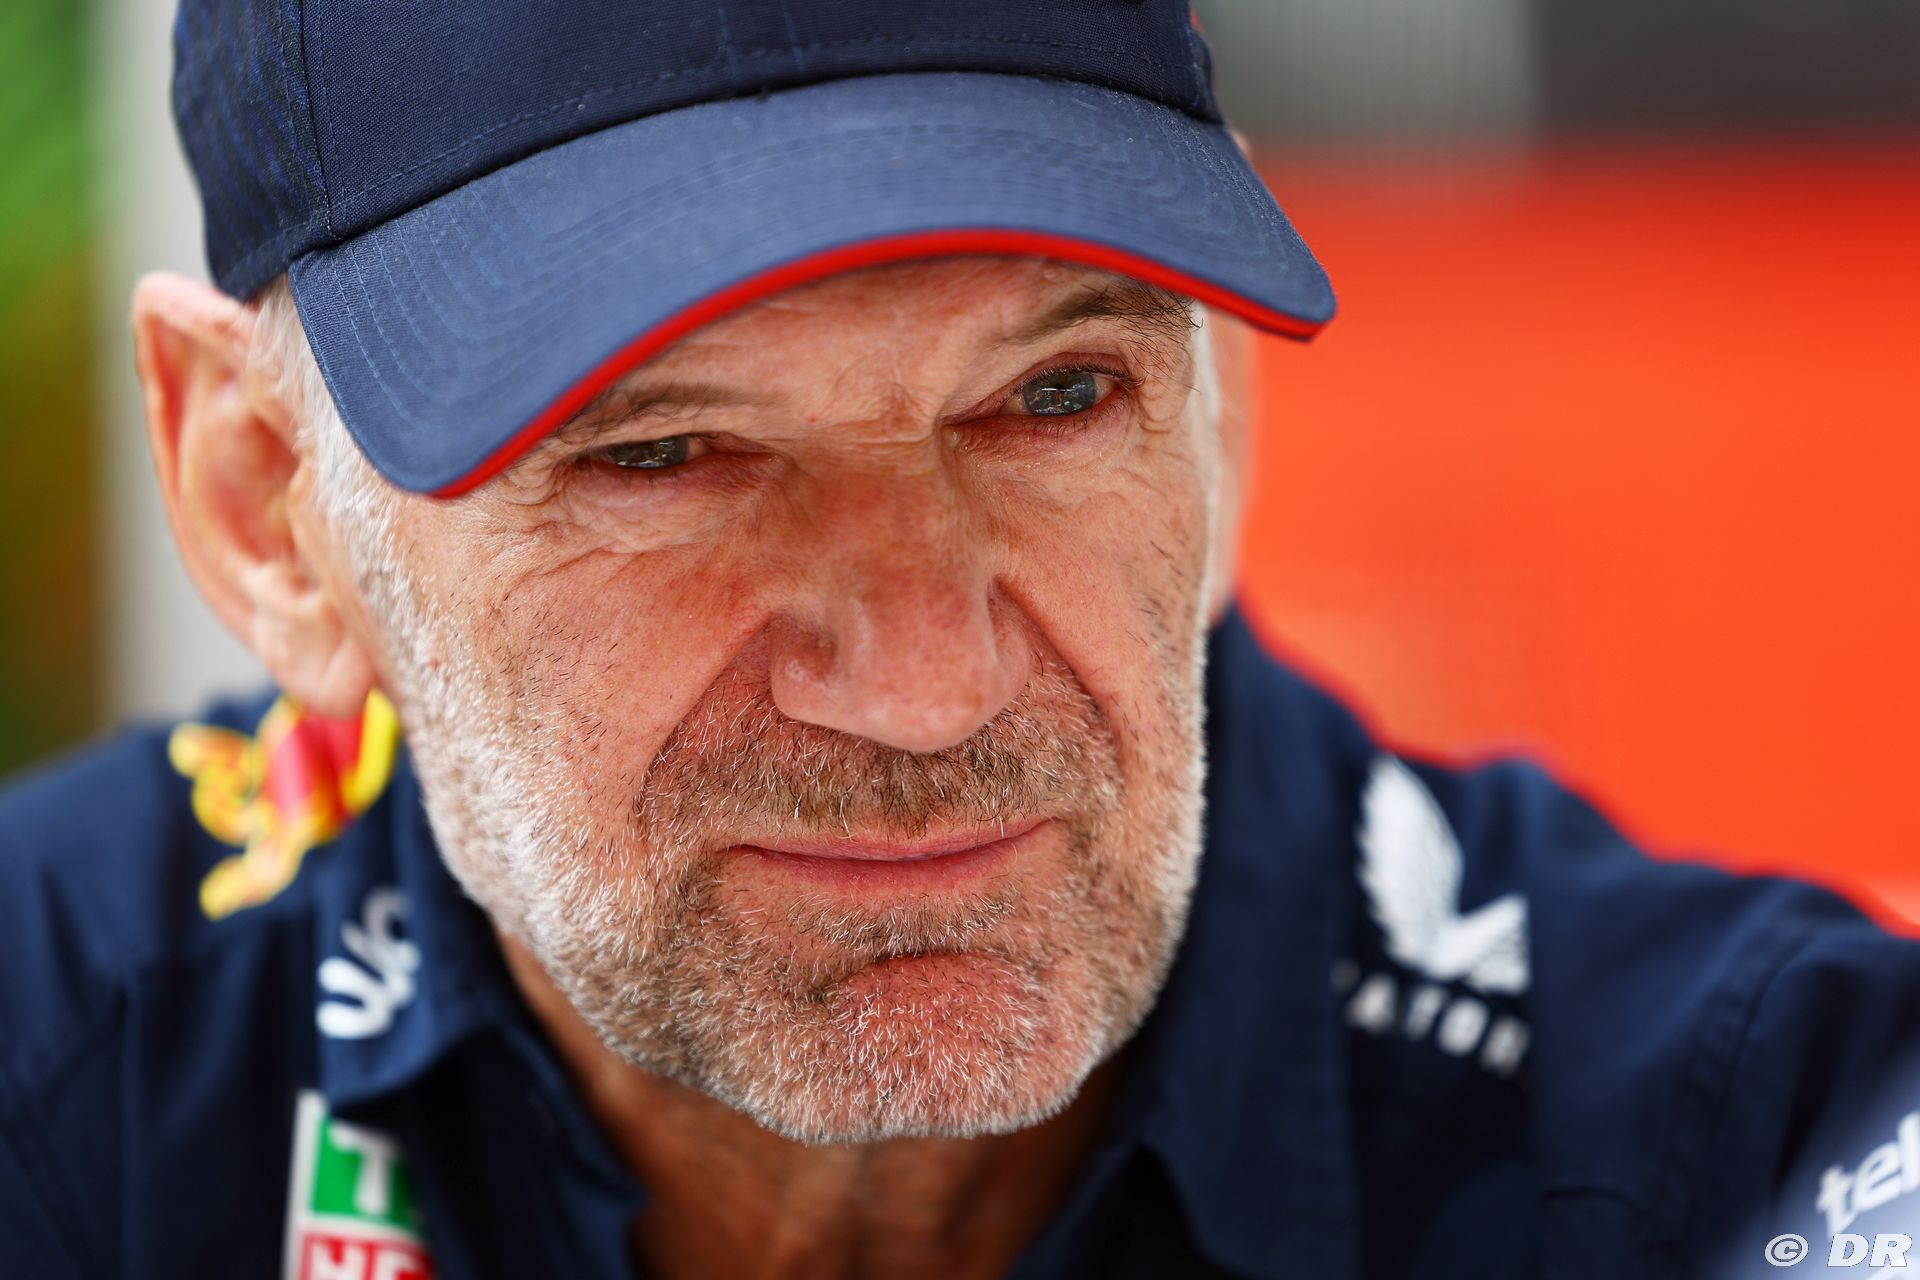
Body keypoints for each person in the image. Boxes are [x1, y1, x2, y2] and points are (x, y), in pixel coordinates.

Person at [1, 2, 1915, 1277]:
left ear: (1218, 410)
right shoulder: (52, 1098)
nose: (927, 687)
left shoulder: (1773, 1145)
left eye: (1054, 398)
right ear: (266, 507)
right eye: (664, 452)